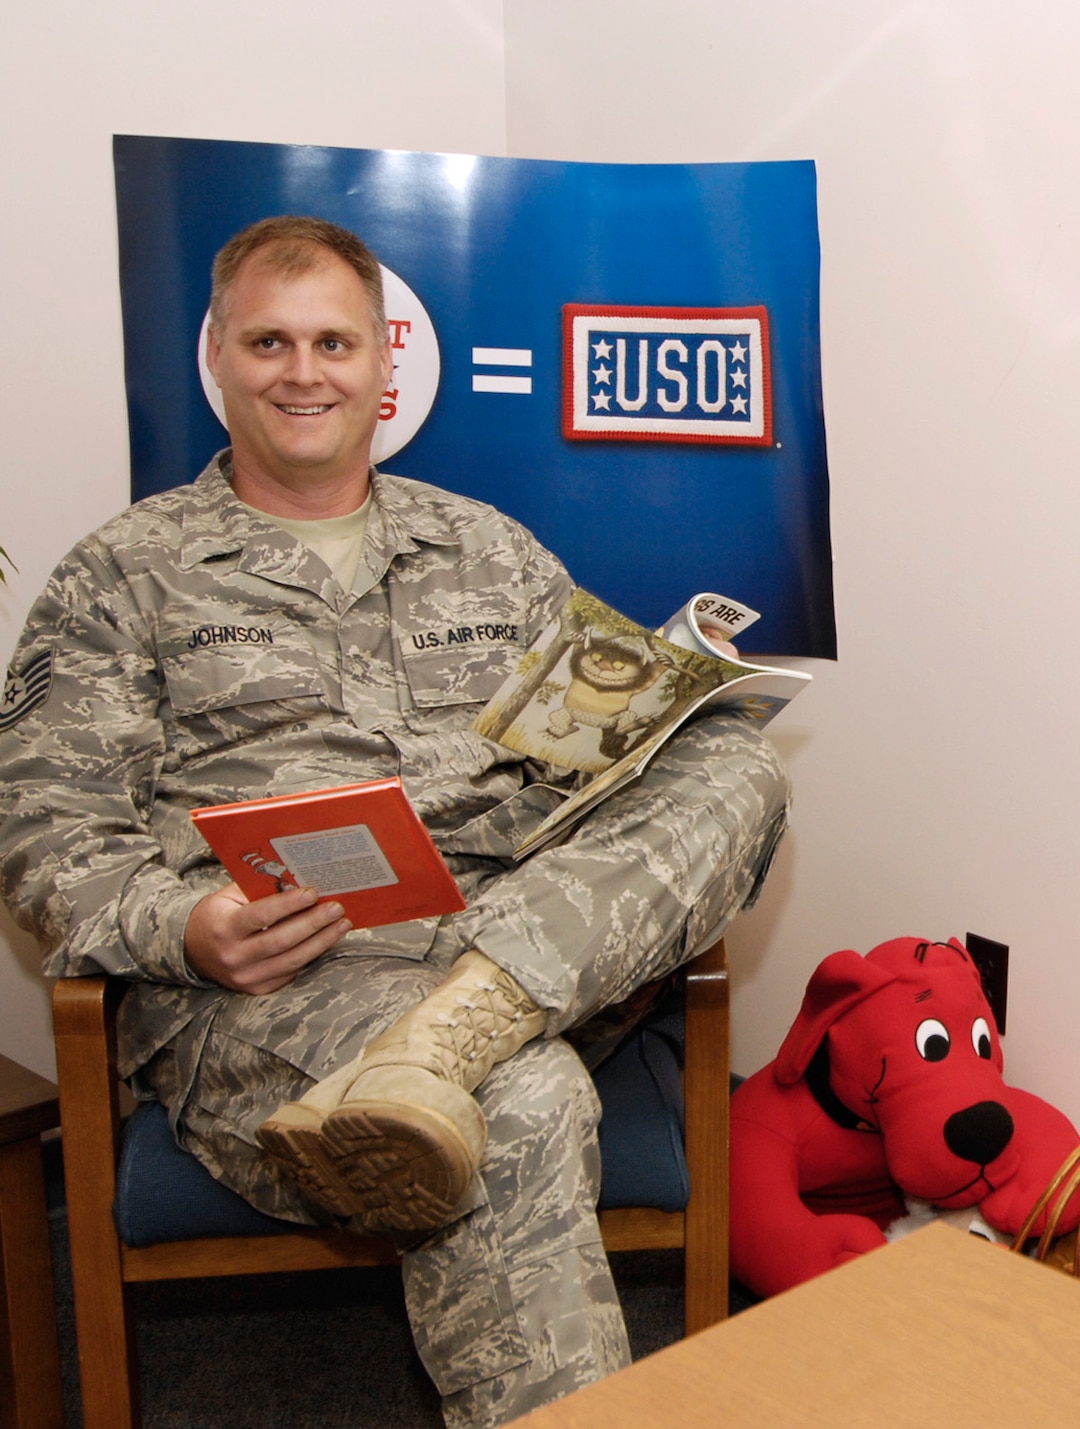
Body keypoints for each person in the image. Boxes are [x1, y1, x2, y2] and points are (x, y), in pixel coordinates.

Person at [0, 216, 791, 1426]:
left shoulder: (485, 545)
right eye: (270, 340)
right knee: (518, 1103)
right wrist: (185, 924)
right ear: (217, 353)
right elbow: (42, 832)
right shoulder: (122, 575)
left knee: (736, 768)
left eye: (333, 342)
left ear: (385, 365)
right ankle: (444, 1059)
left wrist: (662, 708)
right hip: (276, 991)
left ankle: (453, 1033)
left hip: (517, 943)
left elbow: (586, 754)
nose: (303, 372)